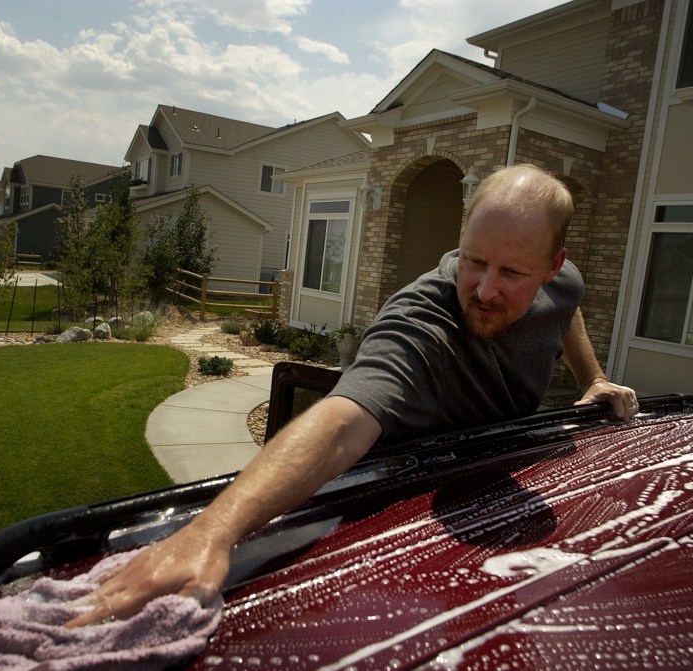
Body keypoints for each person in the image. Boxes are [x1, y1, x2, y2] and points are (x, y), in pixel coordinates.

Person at [65, 163, 638, 628]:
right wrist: (209, 533)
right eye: (475, 261)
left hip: (502, 473)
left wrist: (592, 377)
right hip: (397, 512)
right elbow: (342, 423)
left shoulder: (562, 283)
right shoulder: (422, 323)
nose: (485, 289)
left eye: (512, 273)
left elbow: (565, 310)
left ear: (552, 266)